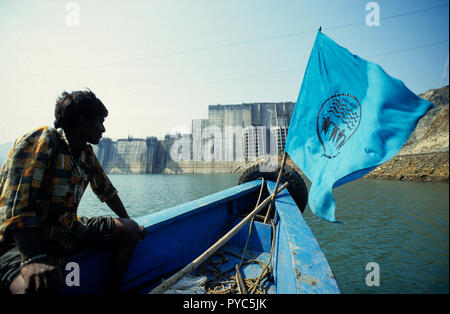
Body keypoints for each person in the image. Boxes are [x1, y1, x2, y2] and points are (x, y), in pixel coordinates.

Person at [0, 89, 146, 294]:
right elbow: (16, 204)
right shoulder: (44, 140)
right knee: (37, 284)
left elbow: (107, 192)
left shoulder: (86, 154)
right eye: (99, 121)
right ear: (82, 120)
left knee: (129, 229)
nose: (103, 129)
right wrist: (32, 259)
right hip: (20, 243)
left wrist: (131, 222)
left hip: (66, 232)